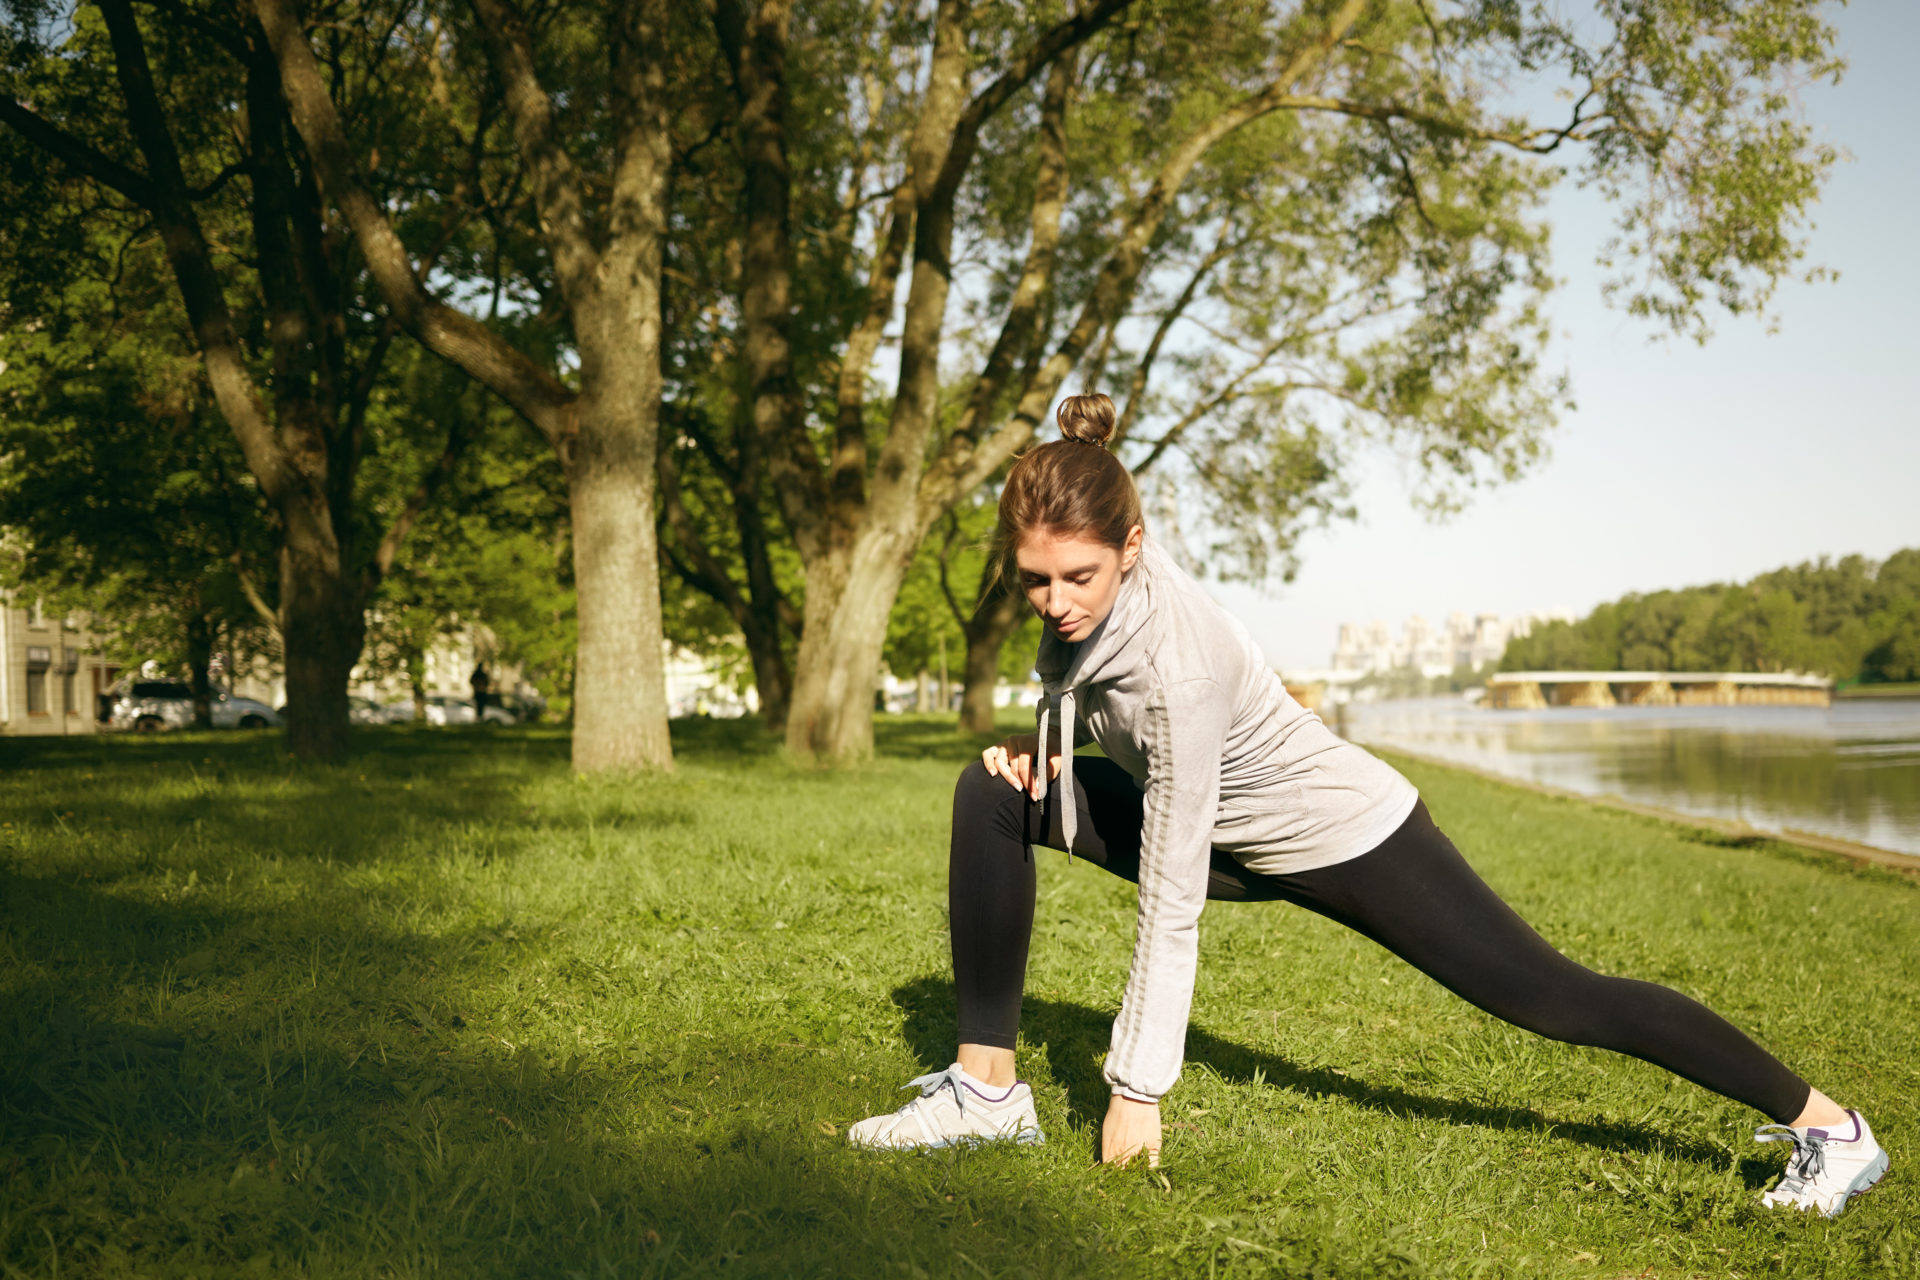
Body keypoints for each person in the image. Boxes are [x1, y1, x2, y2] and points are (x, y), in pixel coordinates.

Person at [848, 393, 1888, 1220]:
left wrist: (1137, 1087)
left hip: (1348, 833)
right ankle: (987, 1096)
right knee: (993, 791)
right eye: (1035, 580)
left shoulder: (1181, 665)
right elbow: (1088, 699)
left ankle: (1831, 1126)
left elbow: (1170, 894)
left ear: (1135, 545)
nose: (1057, 600)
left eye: (1078, 575)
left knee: (1560, 998)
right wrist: (1039, 759)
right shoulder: (1089, 590)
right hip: (1220, 820)